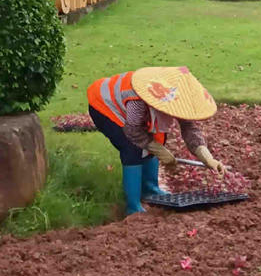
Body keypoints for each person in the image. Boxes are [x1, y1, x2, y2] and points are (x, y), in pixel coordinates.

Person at [87, 65, 226, 215]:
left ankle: (150, 189)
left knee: (158, 137)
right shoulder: (137, 100)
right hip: (104, 104)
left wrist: (207, 158)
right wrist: (160, 152)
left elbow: (189, 129)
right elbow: (132, 130)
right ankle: (133, 206)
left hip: (131, 112)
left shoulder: (179, 99)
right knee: (132, 148)